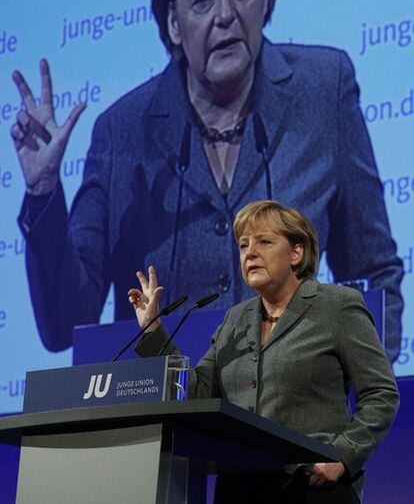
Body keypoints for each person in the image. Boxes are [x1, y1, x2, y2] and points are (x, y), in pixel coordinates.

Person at [11, 0, 403, 360]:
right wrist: (42, 192)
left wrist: (362, 393)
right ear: (174, 23)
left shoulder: (323, 92)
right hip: (162, 420)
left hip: (296, 420)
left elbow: (377, 273)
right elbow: (62, 325)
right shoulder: (123, 132)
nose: (225, 14)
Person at [129, 200, 399, 504]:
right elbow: (198, 395)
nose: (249, 253)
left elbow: (381, 393)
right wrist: (153, 329)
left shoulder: (337, 306)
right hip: (239, 488)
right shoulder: (235, 320)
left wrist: (343, 455)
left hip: (311, 487)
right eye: (243, 245)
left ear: (296, 253)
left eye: (264, 242)